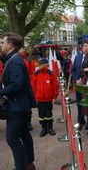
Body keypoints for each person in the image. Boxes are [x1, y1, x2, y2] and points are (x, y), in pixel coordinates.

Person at [0, 32, 36, 170]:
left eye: (3, 42)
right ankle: (29, 164)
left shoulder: (14, 61)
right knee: (24, 135)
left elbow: (17, 85)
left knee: (12, 138)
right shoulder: (13, 59)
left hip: (17, 106)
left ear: (10, 45)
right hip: (18, 105)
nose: (1, 44)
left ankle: (22, 166)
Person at [31, 57, 59, 137]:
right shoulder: (36, 74)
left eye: (41, 64)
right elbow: (33, 86)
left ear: (46, 64)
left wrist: (54, 97)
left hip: (49, 99)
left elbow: (55, 87)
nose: (39, 66)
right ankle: (43, 129)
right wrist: (35, 97)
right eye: (39, 64)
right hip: (39, 99)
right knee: (41, 115)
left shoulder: (51, 73)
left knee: (49, 114)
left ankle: (50, 128)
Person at [19, 47, 36, 131]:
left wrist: (31, 83)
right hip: (18, 85)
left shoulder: (29, 60)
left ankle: (28, 122)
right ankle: (21, 122)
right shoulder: (15, 59)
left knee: (27, 105)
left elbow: (33, 72)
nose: (22, 51)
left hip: (27, 85)